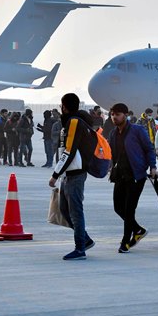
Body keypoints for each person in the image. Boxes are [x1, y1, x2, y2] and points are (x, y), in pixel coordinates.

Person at [48, 93, 95, 260]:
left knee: (75, 212)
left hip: (75, 173)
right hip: (68, 173)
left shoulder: (74, 122)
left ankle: (80, 249)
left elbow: (69, 150)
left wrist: (55, 174)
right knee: (64, 209)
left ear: (64, 106)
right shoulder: (68, 122)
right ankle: (85, 239)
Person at [108, 103, 157, 253]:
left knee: (129, 210)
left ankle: (125, 242)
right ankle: (138, 230)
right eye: (112, 114)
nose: (114, 117)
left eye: (117, 114)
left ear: (126, 115)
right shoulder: (113, 133)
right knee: (118, 207)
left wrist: (153, 166)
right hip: (120, 175)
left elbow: (149, 148)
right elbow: (112, 153)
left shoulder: (137, 130)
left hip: (136, 176)